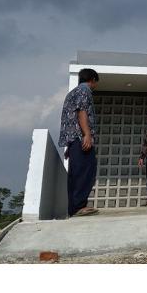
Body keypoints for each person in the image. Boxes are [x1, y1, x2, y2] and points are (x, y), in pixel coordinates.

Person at [59, 67, 100, 217]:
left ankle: (74, 208)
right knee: (86, 171)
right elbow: (82, 112)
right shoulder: (84, 91)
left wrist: (70, 145)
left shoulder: (72, 93)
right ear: (93, 80)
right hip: (81, 138)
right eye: (96, 82)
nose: (95, 86)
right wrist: (87, 134)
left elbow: (70, 118)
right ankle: (79, 206)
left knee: (75, 174)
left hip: (73, 140)